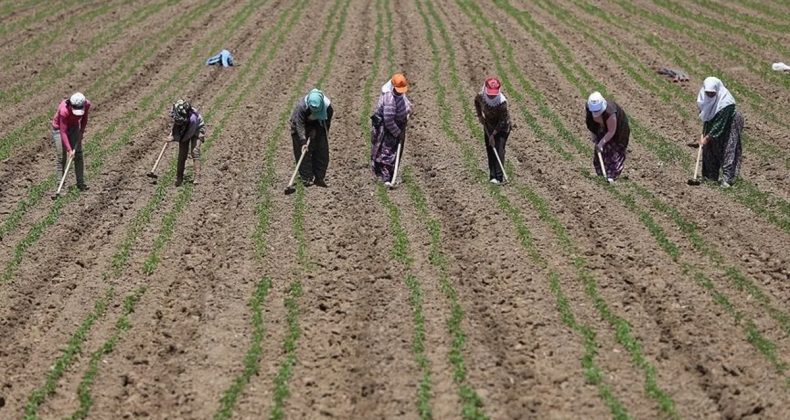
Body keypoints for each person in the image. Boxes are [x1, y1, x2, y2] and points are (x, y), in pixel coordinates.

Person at [696, 77, 744, 188]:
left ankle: (727, 179)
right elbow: (706, 116)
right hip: (715, 123)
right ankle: (710, 176)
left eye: (712, 93)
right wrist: (707, 136)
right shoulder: (703, 98)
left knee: (728, 148)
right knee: (710, 147)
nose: (710, 95)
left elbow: (720, 124)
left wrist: (707, 137)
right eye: (707, 92)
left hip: (730, 123)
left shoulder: (726, 103)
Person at [371, 73, 411, 183]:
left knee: (393, 152)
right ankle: (385, 178)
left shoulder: (399, 94)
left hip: (396, 126)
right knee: (386, 153)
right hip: (387, 128)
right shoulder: (389, 99)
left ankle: (389, 175)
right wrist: (398, 133)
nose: (400, 92)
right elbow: (388, 120)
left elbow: (404, 101)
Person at [290, 88, 333, 187]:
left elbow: (327, 123)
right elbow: (299, 125)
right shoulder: (301, 107)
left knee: (322, 150)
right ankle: (306, 178)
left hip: (319, 124)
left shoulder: (328, 107)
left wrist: (318, 130)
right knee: (303, 152)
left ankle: (319, 177)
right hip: (301, 126)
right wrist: (303, 141)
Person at [51, 92, 91, 196]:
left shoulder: (86, 104)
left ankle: (80, 183)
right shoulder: (64, 110)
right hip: (59, 129)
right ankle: (61, 186)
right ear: (71, 105)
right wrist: (69, 150)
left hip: (74, 127)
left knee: (78, 154)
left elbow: (84, 119)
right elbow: (63, 132)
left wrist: (81, 132)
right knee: (62, 157)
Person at [585, 91, 629, 183]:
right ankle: (601, 173)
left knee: (614, 152)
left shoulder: (610, 112)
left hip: (617, 132)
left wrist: (601, 143)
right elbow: (590, 123)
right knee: (600, 151)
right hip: (601, 128)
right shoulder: (589, 108)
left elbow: (611, 131)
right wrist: (594, 135)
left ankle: (612, 175)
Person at [474, 77, 511, 184]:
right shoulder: (481, 96)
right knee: (490, 149)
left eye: (494, 94)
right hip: (489, 125)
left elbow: (502, 121)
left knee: (499, 149)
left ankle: (499, 177)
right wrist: (480, 115)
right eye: (490, 94)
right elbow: (476, 102)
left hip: (502, 127)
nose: (492, 96)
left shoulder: (502, 102)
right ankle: (492, 176)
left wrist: (493, 135)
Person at [169, 99, 206, 187]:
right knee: (182, 155)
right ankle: (179, 177)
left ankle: (197, 176)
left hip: (197, 129)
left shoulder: (193, 119)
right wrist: (174, 134)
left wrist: (174, 138)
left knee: (195, 151)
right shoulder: (177, 112)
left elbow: (187, 135)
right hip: (185, 129)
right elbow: (176, 126)